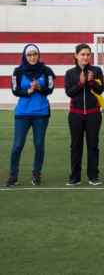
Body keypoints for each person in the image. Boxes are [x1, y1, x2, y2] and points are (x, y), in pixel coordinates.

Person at [4, 44, 56, 187]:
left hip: (41, 114)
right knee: (17, 145)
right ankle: (13, 175)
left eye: (35, 54)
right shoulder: (18, 71)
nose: (32, 57)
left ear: (39, 55)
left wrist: (39, 88)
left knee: (39, 145)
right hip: (22, 113)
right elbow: (15, 90)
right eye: (29, 55)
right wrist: (28, 91)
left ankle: (36, 174)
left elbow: (50, 89)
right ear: (24, 56)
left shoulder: (47, 70)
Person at [65, 44, 104, 186]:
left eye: (88, 54)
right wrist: (81, 84)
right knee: (76, 146)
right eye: (82, 54)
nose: (85, 57)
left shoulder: (96, 70)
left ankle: (93, 176)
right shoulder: (70, 73)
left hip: (93, 114)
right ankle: (75, 177)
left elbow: (100, 90)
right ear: (76, 55)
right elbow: (69, 92)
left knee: (93, 145)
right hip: (75, 114)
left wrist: (91, 81)